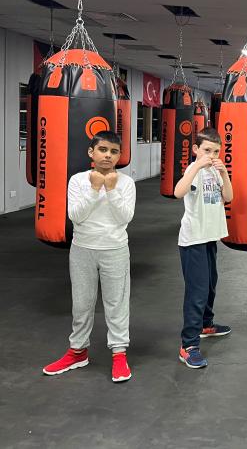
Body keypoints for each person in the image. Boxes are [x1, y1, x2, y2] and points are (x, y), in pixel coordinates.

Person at [43, 131, 136, 382]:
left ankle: (119, 354)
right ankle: (77, 351)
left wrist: (112, 190)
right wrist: (95, 190)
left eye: (114, 151)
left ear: (119, 156)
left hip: (115, 249)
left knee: (116, 303)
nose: (108, 155)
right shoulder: (77, 181)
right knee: (82, 302)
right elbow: (76, 216)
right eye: (103, 150)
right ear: (91, 153)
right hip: (83, 248)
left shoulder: (126, 183)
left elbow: (124, 217)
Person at [174, 127, 234, 369]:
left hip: (210, 237)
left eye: (216, 151)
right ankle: (188, 345)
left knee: (210, 285)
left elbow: (228, 197)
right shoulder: (194, 170)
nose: (212, 155)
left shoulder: (215, 172)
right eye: (207, 150)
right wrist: (197, 166)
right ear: (196, 150)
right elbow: (178, 192)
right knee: (197, 292)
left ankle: (206, 325)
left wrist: (225, 174)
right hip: (193, 240)